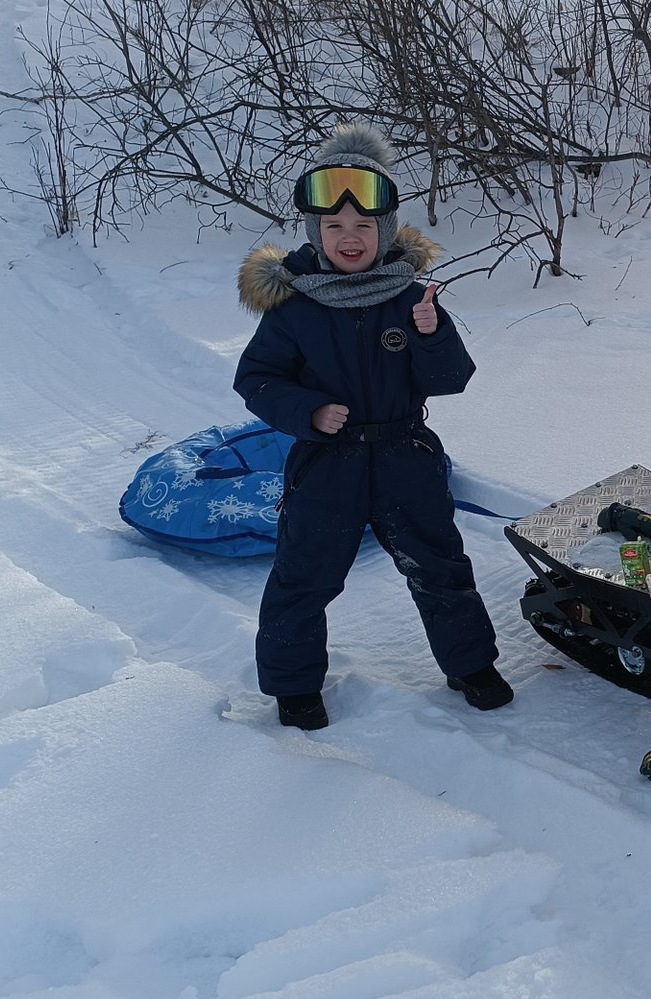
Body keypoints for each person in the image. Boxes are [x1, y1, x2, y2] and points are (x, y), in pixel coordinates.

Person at [234, 123, 511, 730]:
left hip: (405, 456)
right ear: (316, 232)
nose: (349, 237)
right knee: (304, 576)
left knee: (440, 567)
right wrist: (308, 411)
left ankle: (471, 665)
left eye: (363, 225)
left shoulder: (409, 297)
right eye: (334, 226)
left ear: (384, 231)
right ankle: (294, 686)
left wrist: (432, 334)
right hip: (326, 464)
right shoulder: (294, 306)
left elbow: (451, 380)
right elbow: (256, 379)